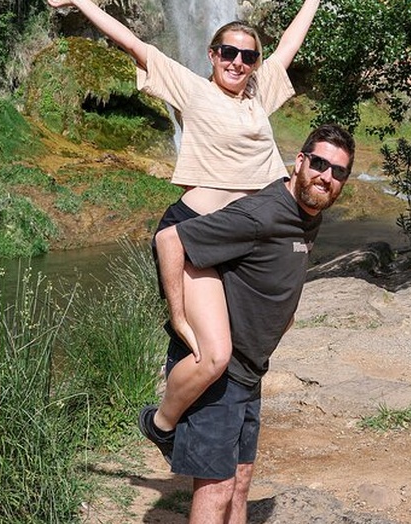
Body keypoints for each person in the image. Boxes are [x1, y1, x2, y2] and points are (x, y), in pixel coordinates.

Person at [45, 0, 322, 458]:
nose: (238, 62)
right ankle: (161, 424)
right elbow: (133, 43)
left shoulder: (260, 93)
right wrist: (82, 3)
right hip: (196, 230)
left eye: (248, 56)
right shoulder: (193, 90)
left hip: (248, 238)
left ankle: (228, 426)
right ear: (212, 55)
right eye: (228, 53)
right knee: (213, 354)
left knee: (256, 338)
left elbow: (292, 42)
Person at [154, 123, 355, 523]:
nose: (327, 177)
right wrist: (178, 315)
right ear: (299, 161)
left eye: (338, 172)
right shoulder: (262, 214)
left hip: (250, 370)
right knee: (216, 489)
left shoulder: (308, 209)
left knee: (241, 481)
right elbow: (171, 239)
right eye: (318, 163)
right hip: (220, 374)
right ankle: (159, 423)